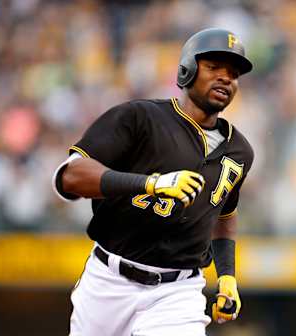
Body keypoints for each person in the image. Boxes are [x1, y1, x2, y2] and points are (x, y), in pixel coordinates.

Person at [52, 28, 254, 336]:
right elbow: (71, 176)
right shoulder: (140, 117)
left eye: (233, 73)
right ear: (187, 69)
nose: (226, 78)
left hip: (177, 292)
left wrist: (227, 275)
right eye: (214, 67)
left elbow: (223, 212)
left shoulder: (240, 151)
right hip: (108, 282)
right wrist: (151, 184)